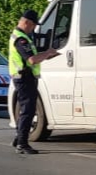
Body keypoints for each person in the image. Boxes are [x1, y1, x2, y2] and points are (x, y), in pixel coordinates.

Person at [9, 9, 60, 154]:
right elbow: (31, 59)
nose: (34, 28)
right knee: (27, 110)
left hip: (25, 77)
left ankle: (19, 138)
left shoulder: (22, 36)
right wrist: (48, 53)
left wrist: (48, 55)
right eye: (33, 25)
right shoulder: (21, 39)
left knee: (27, 109)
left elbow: (35, 56)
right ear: (26, 22)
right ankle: (22, 144)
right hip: (24, 78)